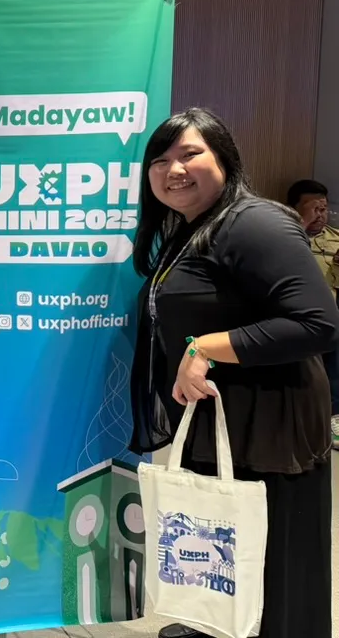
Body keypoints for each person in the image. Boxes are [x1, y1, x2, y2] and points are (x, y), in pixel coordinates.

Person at [129, 108, 336, 638]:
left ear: (224, 158)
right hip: (221, 419)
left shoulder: (255, 223)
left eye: (189, 154)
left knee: (273, 568)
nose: (173, 169)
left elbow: (317, 323)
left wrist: (205, 348)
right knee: (223, 560)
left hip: (268, 428)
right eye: (159, 160)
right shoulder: (192, 229)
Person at [287, 178, 339, 446]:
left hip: (332, 319)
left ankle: (333, 418)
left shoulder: (336, 239)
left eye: (324, 209)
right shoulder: (283, 236)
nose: (321, 215)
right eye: (314, 209)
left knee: (334, 371)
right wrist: (302, 225)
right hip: (294, 320)